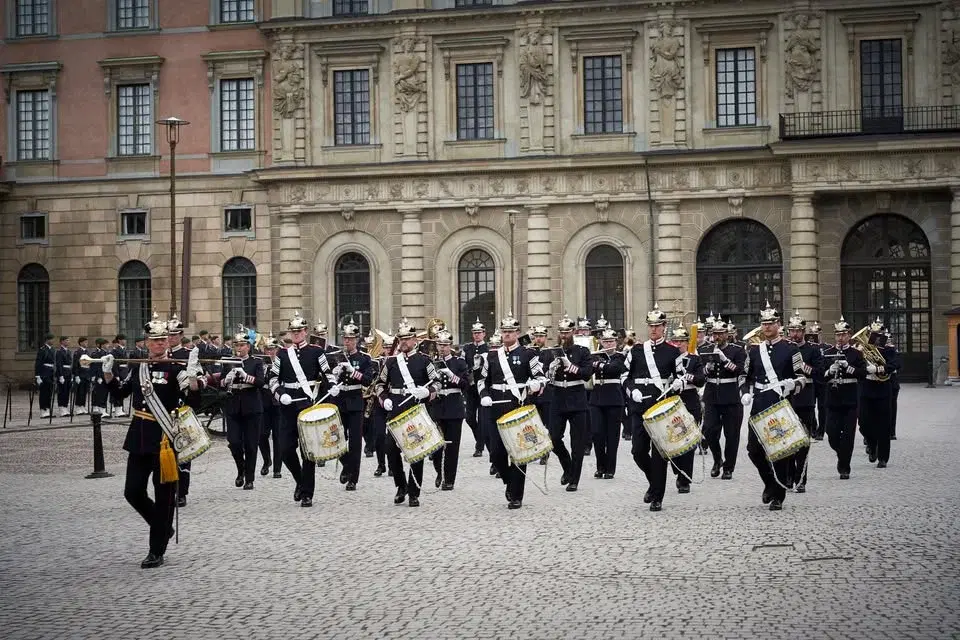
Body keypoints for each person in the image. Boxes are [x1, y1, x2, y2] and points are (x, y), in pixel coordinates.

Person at [102, 312, 201, 569]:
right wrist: (108, 375)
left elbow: (192, 401)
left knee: (164, 495)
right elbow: (119, 394)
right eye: (153, 340)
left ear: (168, 342)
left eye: (162, 340)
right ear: (146, 342)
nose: (158, 344)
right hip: (139, 437)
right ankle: (162, 525)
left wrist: (192, 379)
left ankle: (156, 549)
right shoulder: (139, 368)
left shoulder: (175, 370)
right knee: (132, 491)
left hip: (164, 440)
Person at [476, 312, 546, 509]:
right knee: (496, 453)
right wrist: (484, 396)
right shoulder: (491, 356)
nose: (507, 335)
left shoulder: (528, 354)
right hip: (495, 406)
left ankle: (517, 495)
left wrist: (535, 385)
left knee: (519, 452)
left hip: (518, 406)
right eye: (504, 332)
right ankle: (508, 481)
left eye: (510, 332)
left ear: (517, 333)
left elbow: (541, 377)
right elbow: (482, 380)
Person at [739, 303, 804, 510]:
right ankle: (769, 482)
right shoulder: (755, 350)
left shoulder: (790, 349)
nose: (767, 327)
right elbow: (744, 375)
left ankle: (778, 495)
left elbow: (802, 377)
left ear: (779, 325)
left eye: (771, 323)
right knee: (753, 450)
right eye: (764, 324)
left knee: (780, 451)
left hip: (780, 405)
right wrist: (745, 392)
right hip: (758, 404)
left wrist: (792, 385)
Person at [623, 304, 686, 511]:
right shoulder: (637, 350)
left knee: (660, 454)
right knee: (637, 451)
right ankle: (654, 482)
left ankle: (657, 495)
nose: (653, 329)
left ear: (664, 327)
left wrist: (679, 383)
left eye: (657, 326)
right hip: (640, 407)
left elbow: (681, 376)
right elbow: (625, 375)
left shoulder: (672, 351)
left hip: (660, 407)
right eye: (650, 326)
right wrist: (632, 390)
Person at [268, 311, 333, 508]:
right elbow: (271, 378)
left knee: (308, 452)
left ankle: (307, 493)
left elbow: (328, 374)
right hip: (288, 406)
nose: (296, 334)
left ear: (305, 332)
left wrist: (334, 386)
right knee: (286, 449)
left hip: (308, 404)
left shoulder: (316, 352)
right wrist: (279, 393)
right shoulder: (282, 354)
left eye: (299, 331)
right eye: (293, 331)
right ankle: (300, 480)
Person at [375, 318, 441, 507]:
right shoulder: (390, 362)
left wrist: (427, 392)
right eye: (401, 338)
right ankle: (400, 485)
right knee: (391, 450)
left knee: (416, 452)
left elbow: (437, 382)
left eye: (407, 338)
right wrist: (384, 398)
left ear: (415, 340)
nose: (403, 342)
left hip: (415, 410)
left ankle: (414, 491)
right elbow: (380, 384)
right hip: (395, 409)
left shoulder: (424, 360)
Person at [547, 314, 594, 492]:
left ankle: (574, 478)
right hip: (558, 397)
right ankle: (567, 467)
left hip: (576, 398)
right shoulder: (552, 352)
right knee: (553, 438)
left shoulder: (582, 351)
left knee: (577, 443)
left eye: (567, 332)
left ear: (573, 332)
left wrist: (570, 366)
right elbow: (545, 376)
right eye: (561, 332)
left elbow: (587, 373)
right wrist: (550, 371)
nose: (564, 335)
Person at [328, 320, 375, 492]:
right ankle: (347, 464)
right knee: (336, 439)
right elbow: (328, 377)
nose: (347, 342)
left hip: (355, 402)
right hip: (339, 402)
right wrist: (333, 379)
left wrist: (352, 371)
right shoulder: (335, 357)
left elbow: (368, 380)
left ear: (356, 340)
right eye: (345, 338)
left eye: (350, 339)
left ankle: (353, 478)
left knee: (355, 442)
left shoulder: (363, 359)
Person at [218, 330, 265, 490]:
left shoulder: (256, 362)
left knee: (251, 444)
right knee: (234, 442)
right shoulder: (228, 361)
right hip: (233, 406)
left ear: (248, 346)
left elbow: (260, 382)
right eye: (237, 345)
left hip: (251, 406)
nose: (239, 348)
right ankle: (241, 469)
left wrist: (246, 376)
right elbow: (221, 383)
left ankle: (249, 478)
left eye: (243, 345)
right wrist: (227, 379)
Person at [700, 318, 746, 480]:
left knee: (731, 434)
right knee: (709, 430)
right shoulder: (705, 349)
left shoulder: (737, 350)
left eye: (720, 334)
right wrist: (707, 368)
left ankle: (729, 467)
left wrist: (725, 361)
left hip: (731, 395)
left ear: (727, 334)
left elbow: (741, 370)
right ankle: (717, 459)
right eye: (714, 334)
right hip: (712, 395)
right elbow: (700, 372)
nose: (717, 337)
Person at [821, 317, 866, 479]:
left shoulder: (856, 353)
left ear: (849, 335)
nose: (840, 338)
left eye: (843, 335)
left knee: (848, 434)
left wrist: (850, 368)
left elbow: (863, 374)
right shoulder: (827, 353)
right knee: (831, 433)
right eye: (838, 335)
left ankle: (844, 466)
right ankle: (842, 454)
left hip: (850, 398)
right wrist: (829, 371)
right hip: (833, 399)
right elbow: (821, 376)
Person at [785, 312, 824, 493]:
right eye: (792, 330)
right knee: (786, 442)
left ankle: (801, 478)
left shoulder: (813, 350)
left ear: (803, 331)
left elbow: (819, 373)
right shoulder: (785, 348)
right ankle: (789, 476)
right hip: (787, 399)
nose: (794, 334)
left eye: (798, 331)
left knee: (803, 442)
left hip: (806, 399)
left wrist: (804, 367)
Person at [428, 330, 469, 490]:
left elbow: (466, 384)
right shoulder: (431, 363)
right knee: (436, 447)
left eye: (445, 345)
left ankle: (449, 479)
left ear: (450, 346)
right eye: (440, 345)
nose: (442, 348)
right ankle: (440, 472)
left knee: (452, 447)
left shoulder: (459, 363)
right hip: (437, 408)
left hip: (454, 407)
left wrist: (452, 376)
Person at [859, 318, 901, 468]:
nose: (875, 338)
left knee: (883, 424)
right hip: (866, 387)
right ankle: (871, 444)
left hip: (883, 387)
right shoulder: (862, 348)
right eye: (873, 334)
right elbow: (857, 365)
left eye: (878, 335)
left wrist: (878, 369)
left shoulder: (889, 349)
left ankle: (883, 457)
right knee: (864, 423)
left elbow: (895, 364)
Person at [670, 325, 704, 493]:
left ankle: (685, 478)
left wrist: (688, 377)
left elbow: (701, 379)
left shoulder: (694, 359)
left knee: (688, 441)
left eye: (681, 341)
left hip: (690, 401)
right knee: (673, 439)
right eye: (675, 341)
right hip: (672, 402)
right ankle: (678, 468)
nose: (678, 344)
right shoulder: (668, 359)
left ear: (686, 342)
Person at [589, 328, 626, 479]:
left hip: (614, 398)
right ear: (601, 342)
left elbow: (615, 368)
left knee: (612, 435)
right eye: (605, 341)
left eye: (611, 341)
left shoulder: (620, 356)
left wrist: (600, 365)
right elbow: (589, 367)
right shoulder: (594, 356)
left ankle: (610, 468)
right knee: (597, 433)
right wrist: (599, 363)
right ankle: (600, 466)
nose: (608, 344)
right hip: (597, 398)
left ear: (616, 342)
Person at [460, 318, 488, 458]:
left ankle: (479, 447)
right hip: (471, 388)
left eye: (479, 332)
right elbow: (463, 364)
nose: (477, 335)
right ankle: (480, 439)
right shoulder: (467, 348)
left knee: (483, 419)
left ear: (484, 334)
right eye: (475, 333)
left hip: (483, 387)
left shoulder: (488, 348)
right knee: (469, 418)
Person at [529, 323, 553, 465]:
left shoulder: (550, 352)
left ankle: (545, 451)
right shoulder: (530, 352)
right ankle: (537, 449)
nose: (538, 339)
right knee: (534, 424)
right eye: (536, 336)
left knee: (546, 424)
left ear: (546, 337)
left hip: (547, 393)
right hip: (532, 393)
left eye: (541, 336)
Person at [259, 335, 283, 478]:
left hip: (278, 403)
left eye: (272, 349)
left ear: (276, 350)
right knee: (262, 435)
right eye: (267, 349)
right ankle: (267, 460)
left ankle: (277, 468)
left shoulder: (281, 363)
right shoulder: (260, 364)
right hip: (263, 402)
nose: (270, 352)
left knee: (278, 437)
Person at [34, 333, 56, 418]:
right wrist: (38, 376)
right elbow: (38, 363)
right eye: (51, 339)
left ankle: (48, 409)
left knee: (49, 392)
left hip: (50, 373)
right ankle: (43, 410)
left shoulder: (53, 349)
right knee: (44, 393)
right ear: (47, 340)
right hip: (44, 373)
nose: (53, 341)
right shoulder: (42, 349)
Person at [89, 338, 110, 416]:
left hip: (106, 375)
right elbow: (96, 366)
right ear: (101, 345)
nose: (108, 345)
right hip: (100, 376)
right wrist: (97, 377)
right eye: (105, 344)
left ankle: (103, 409)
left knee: (105, 393)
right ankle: (99, 409)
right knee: (99, 393)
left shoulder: (106, 353)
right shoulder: (96, 354)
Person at [110, 335, 129, 417]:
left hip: (124, 372)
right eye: (123, 339)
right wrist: (116, 375)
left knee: (122, 391)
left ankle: (120, 409)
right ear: (119, 340)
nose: (125, 341)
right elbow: (115, 363)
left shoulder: (124, 349)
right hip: (119, 372)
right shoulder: (115, 351)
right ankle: (117, 409)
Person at [71, 337, 90, 415]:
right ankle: (78, 407)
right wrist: (76, 375)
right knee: (80, 392)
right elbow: (75, 365)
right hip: (80, 374)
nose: (86, 343)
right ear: (81, 343)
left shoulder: (87, 352)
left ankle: (82, 406)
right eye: (85, 342)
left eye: (87, 342)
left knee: (85, 391)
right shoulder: (77, 352)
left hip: (86, 374)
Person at [54, 336, 72, 417]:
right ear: (62, 342)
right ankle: (61, 408)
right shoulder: (59, 352)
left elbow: (70, 364)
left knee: (67, 391)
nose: (68, 342)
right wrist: (60, 375)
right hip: (63, 373)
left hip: (68, 373)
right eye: (66, 340)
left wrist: (71, 375)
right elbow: (59, 365)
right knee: (62, 391)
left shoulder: (68, 351)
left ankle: (65, 406)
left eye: (68, 340)